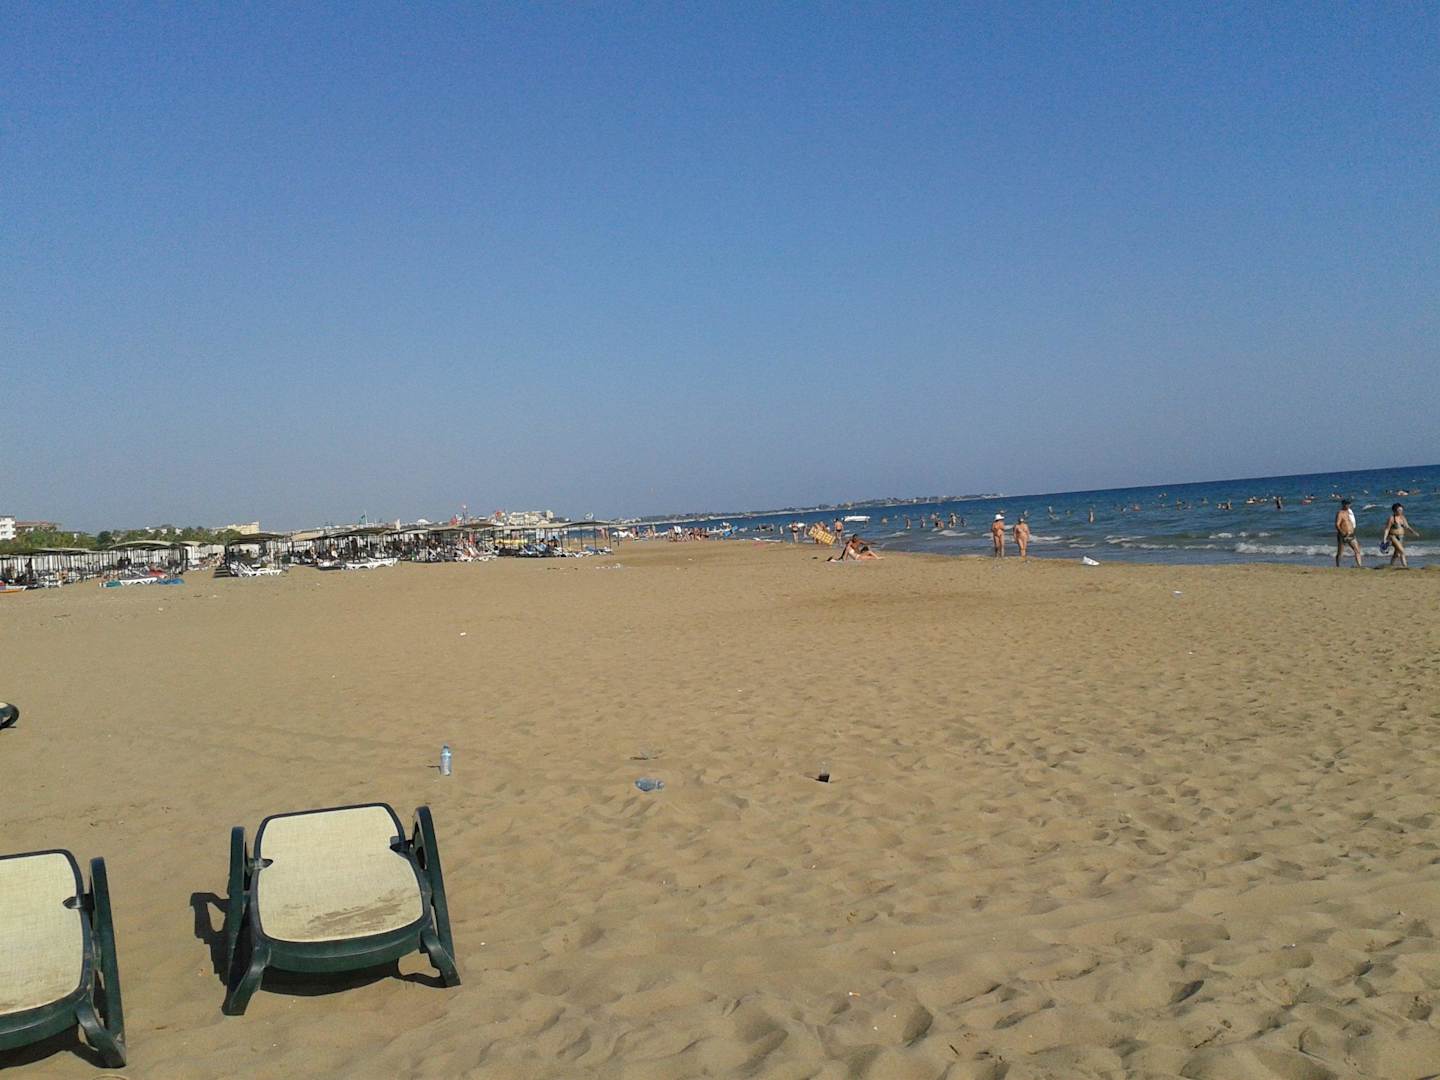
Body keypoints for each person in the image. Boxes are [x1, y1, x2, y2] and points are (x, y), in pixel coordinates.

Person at [1383, 503, 1420, 568]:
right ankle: (1405, 566)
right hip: (1393, 536)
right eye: (1399, 510)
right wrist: (1384, 539)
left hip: (1401, 537)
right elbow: (1387, 529)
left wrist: (1414, 532)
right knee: (1402, 551)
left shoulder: (1402, 517)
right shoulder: (1391, 518)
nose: (1401, 511)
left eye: (1402, 510)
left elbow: (1407, 527)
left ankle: (1391, 565)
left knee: (1397, 553)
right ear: (1394, 510)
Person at [1334, 498, 1362, 567]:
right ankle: (1338, 566)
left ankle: (1359, 566)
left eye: (1349, 504)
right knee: (1340, 552)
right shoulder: (1340, 513)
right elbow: (1337, 524)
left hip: (1351, 534)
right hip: (1343, 535)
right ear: (1343, 504)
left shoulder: (1349, 512)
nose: (1348, 505)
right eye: (1346, 504)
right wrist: (1342, 532)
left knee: (1357, 550)